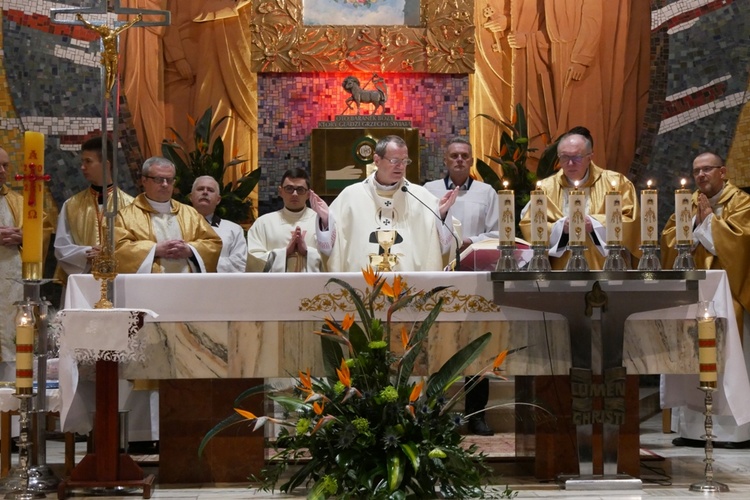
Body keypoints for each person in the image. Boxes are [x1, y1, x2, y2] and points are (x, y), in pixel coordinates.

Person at [661, 152, 750, 448]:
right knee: (687, 349)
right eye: (696, 170)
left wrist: (709, 222)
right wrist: (692, 228)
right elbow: (670, 242)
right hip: (694, 292)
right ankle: (690, 429)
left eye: (707, 169)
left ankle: (731, 431)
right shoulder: (686, 203)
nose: (701, 175)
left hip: (730, 294)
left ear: (723, 172)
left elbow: (742, 243)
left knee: (728, 347)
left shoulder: (740, 202)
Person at [425, 137, 498, 436]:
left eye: (464, 156)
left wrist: (472, 242)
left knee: (477, 344)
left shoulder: (487, 191)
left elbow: (497, 231)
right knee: (435, 343)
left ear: (471, 161)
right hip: (437, 272)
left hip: (474, 273)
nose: (459, 160)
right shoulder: (428, 190)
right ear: (445, 159)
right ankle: (433, 411)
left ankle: (476, 414)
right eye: (453, 155)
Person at [309, 135, 458, 272]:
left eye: (404, 161)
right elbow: (329, 248)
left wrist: (442, 216)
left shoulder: (421, 197)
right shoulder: (351, 196)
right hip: (361, 284)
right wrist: (325, 220)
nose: (400, 166)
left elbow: (443, 246)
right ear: (377, 160)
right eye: (394, 161)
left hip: (409, 285)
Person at [519, 129, 639, 269]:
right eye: (564, 157)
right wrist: (561, 228)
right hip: (561, 272)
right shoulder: (546, 188)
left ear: (590, 157)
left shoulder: (617, 183)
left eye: (577, 157)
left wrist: (594, 224)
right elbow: (531, 226)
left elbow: (632, 222)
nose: (570, 163)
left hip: (606, 269)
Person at [114, 156, 222, 273]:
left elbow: (213, 243)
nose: (165, 184)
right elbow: (117, 249)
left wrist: (190, 250)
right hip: (149, 287)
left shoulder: (190, 214)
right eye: (159, 179)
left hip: (187, 285)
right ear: (144, 180)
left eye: (169, 180)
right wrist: (153, 250)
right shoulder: (125, 217)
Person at [54, 136, 135, 285]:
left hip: (119, 281)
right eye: (82, 162)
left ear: (106, 165)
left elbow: (138, 247)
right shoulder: (71, 205)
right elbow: (61, 247)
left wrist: (111, 254)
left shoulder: (131, 206)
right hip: (83, 281)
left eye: (88, 161)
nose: (82, 167)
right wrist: (86, 254)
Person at [246, 168, 323, 272]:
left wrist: (307, 252)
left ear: (308, 194)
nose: (294, 194)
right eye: (289, 188)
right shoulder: (263, 223)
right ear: (280, 191)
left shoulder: (321, 222)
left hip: (313, 286)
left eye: (300, 190)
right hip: (275, 286)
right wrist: (284, 252)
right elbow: (253, 261)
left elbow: (333, 260)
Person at [189, 175, 247, 273]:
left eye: (210, 190)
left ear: (218, 200)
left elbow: (240, 265)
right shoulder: (178, 225)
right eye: (200, 189)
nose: (205, 192)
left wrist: (197, 260)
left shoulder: (234, 229)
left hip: (222, 286)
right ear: (191, 197)